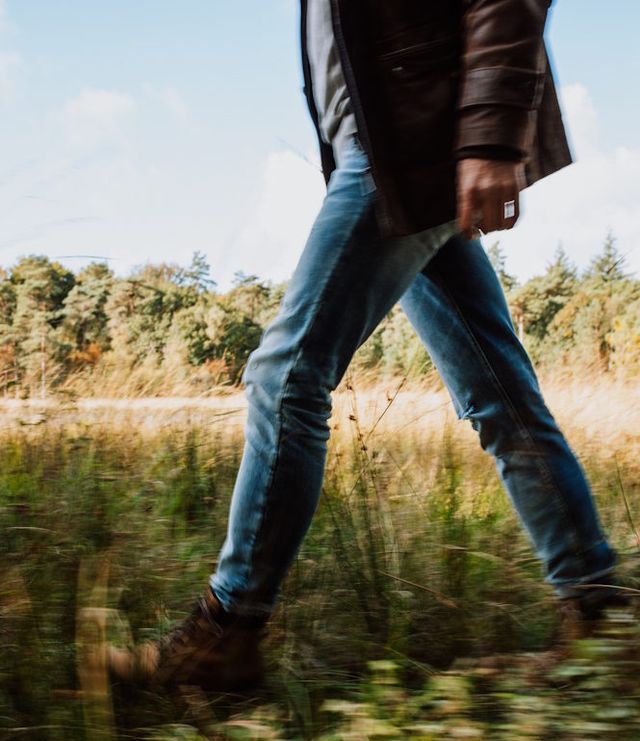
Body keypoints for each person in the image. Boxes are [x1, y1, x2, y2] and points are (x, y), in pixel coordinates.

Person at [107, 0, 625, 690]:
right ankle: (597, 615)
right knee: (499, 393)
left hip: (410, 148)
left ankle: (225, 633)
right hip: (394, 148)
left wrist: (489, 139)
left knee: (286, 376)